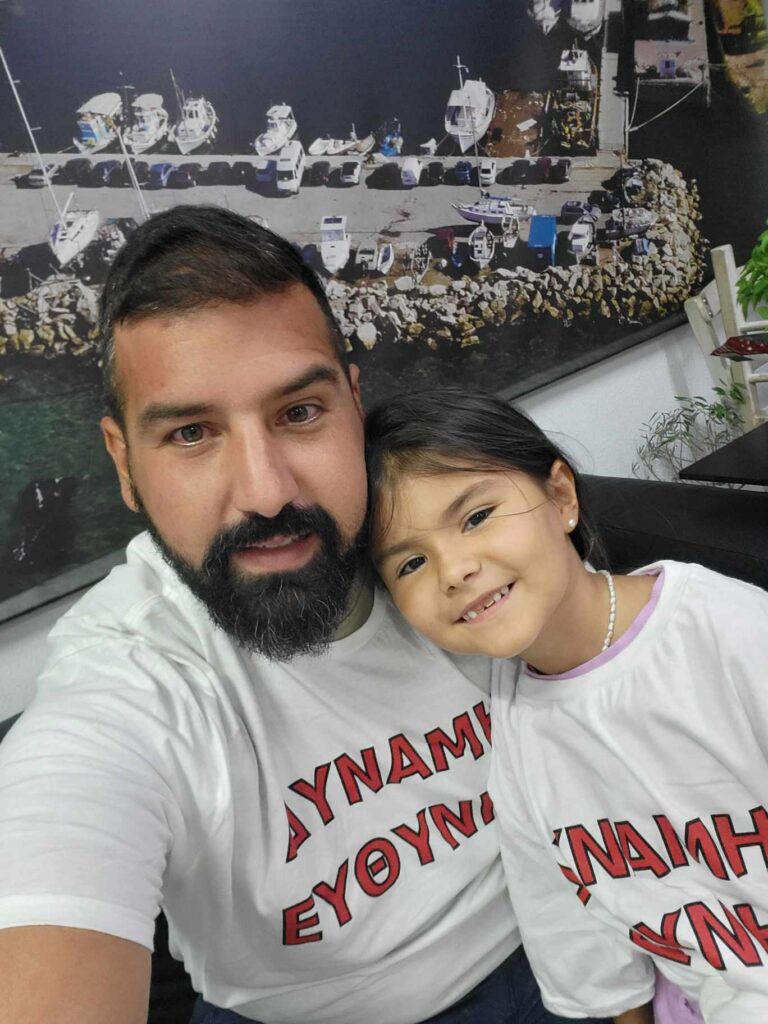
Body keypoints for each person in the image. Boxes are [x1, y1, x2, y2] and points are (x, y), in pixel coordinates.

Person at [0, 207, 613, 1024]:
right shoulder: (129, 682)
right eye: (191, 433)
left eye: (299, 413)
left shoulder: (458, 553)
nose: (267, 492)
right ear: (123, 463)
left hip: (563, 941)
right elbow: (64, 829)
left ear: (354, 404)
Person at [364, 385, 768, 1024]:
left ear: (560, 498)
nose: (453, 569)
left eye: (475, 517)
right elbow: (575, 927)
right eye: (411, 563)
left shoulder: (729, 634)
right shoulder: (513, 724)